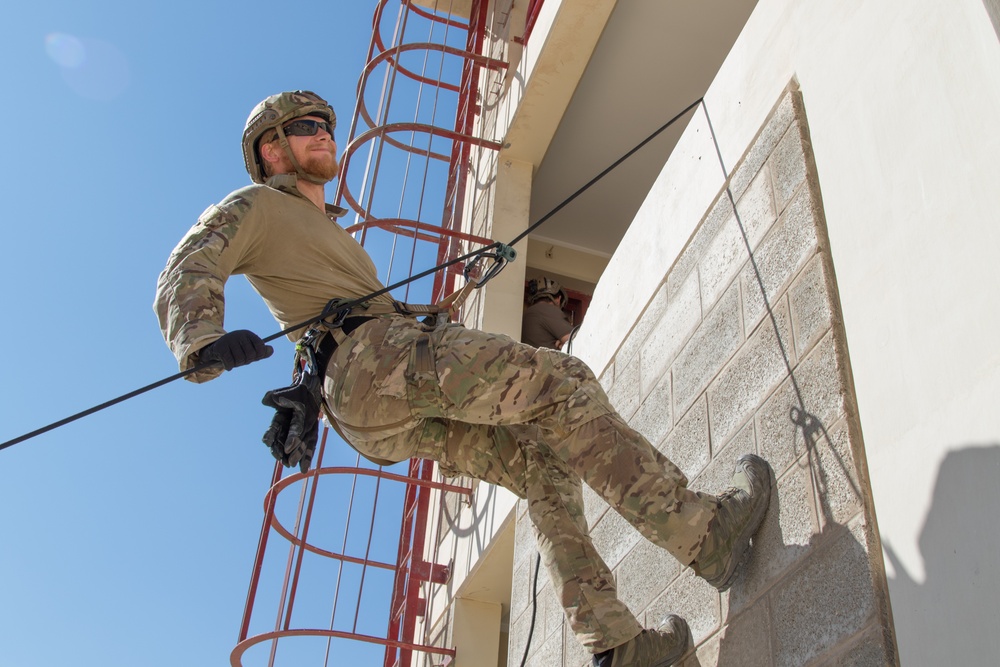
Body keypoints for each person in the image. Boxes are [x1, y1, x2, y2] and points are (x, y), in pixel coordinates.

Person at [154, 91, 773, 667]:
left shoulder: (326, 234)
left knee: (542, 464)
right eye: (307, 128)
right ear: (272, 149)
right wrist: (201, 340)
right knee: (563, 383)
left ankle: (616, 643)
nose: (325, 135)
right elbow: (190, 262)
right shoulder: (260, 204)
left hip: (370, 398)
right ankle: (704, 530)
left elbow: (320, 323)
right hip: (376, 363)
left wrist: (315, 389)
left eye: (327, 127)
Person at [521, 276, 574, 349]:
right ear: (559, 299)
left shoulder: (526, 314)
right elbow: (574, 342)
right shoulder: (548, 309)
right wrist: (561, 346)